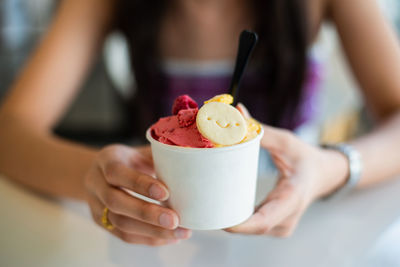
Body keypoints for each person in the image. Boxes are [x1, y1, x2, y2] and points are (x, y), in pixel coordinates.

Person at [1, 0, 400, 246]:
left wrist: (330, 168)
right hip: (167, 238)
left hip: (301, 233)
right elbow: (9, 133)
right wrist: (98, 180)